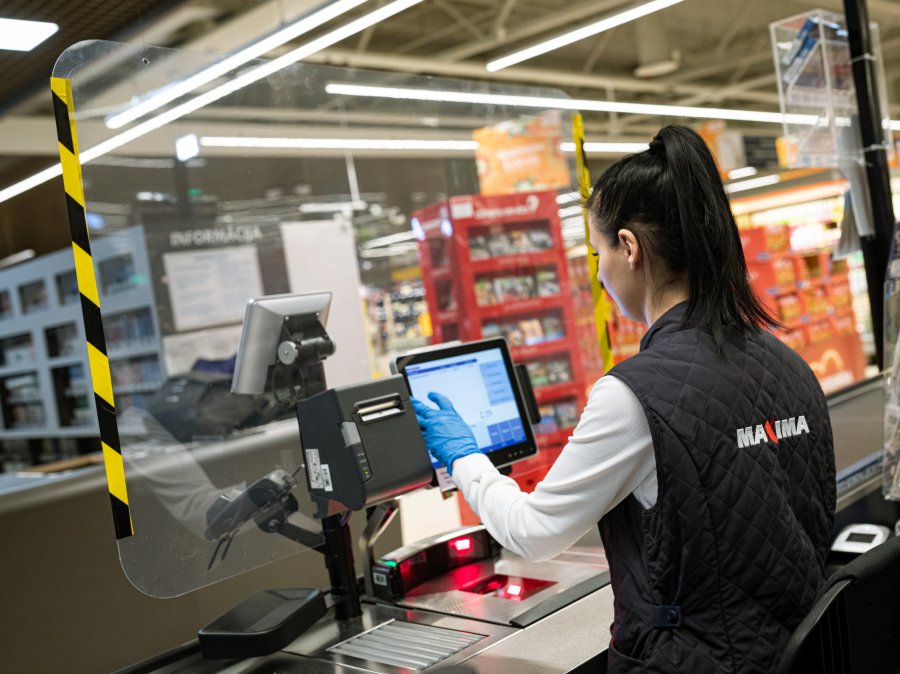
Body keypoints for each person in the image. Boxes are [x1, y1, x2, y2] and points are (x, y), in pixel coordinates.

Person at [412, 124, 836, 673]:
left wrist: (464, 456)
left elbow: (532, 531)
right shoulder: (788, 363)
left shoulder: (635, 395)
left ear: (630, 248)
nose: (599, 273)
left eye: (598, 253)